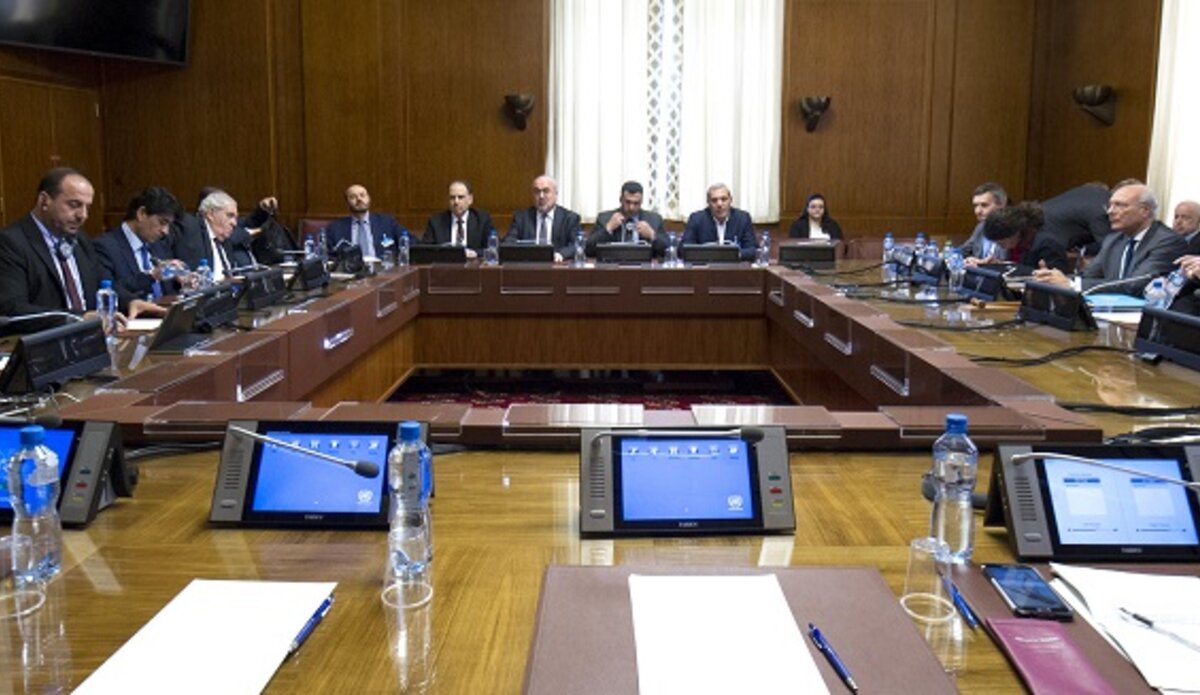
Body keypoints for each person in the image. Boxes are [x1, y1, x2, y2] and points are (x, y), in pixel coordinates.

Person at [0, 168, 163, 332]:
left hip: (90, 341)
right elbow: (12, 310)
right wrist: (79, 318)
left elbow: (101, 281)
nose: (83, 215)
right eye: (74, 205)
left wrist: (128, 302)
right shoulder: (11, 243)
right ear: (44, 201)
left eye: (87, 207)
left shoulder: (80, 239)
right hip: (44, 345)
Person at [1032, 182, 1185, 295]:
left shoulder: (1167, 242)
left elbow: (1135, 284)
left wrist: (1072, 284)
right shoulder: (1114, 239)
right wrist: (1053, 279)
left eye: (1120, 205)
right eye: (1110, 206)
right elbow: (1087, 276)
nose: (1110, 212)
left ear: (1144, 210)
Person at [95, 186, 187, 301]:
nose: (166, 231)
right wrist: (151, 276)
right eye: (162, 222)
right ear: (142, 213)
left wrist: (182, 282)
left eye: (169, 225)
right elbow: (110, 291)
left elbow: (167, 292)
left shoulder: (158, 245)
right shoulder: (105, 247)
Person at [172, 187, 277, 271]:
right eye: (230, 215)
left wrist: (261, 211)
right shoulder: (192, 228)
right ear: (211, 214)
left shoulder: (223, 233)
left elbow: (247, 222)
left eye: (235, 217)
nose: (234, 223)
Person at [506, 175, 582, 262]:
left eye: (546, 191)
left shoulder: (570, 218)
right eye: (537, 191)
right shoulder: (521, 218)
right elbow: (509, 242)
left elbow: (577, 244)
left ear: (555, 194)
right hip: (529, 267)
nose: (541, 196)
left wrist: (561, 254)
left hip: (557, 267)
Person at [980, 202, 1068, 273]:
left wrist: (1011, 267)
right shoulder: (1017, 243)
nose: (1001, 246)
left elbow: (1058, 278)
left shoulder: (1048, 244)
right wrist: (1000, 266)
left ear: (1016, 233)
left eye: (1002, 243)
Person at [323, 184, 408, 259]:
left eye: (362, 195)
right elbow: (325, 255)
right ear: (347, 203)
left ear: (369, 199)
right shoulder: (335, 228)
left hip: (384, 272)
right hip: (349, 273)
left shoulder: (386, 222)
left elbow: (409, 242)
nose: (359, 199)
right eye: (353, 197)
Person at [586, 180, 667, 257]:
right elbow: (588, 250)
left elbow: (668, 250)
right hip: (613, 267)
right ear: (621, 199)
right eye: (628, 202)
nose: (631, 207)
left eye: (636, 203)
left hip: (644, 268)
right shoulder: (604, 218)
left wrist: (652, 235)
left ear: (642, 201)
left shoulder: (654, 219)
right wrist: (608, 229)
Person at [682, 183, 757, 259]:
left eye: (724, 199)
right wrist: (713, 255)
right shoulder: (696, 219)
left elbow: (753, 250)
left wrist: (730, 255)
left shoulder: (742, 218)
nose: (719, 204)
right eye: (714, 200)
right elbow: (683, 249)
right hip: (706, 268)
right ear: (708, 202)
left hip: (735, 267)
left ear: (730, 200)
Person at [423, 180, 495, 259]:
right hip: (445, 265)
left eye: (460, 197)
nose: (456, 202)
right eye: (452, 198)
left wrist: (476, 253)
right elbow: (426, 250)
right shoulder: (436, 221)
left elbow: (493, 247)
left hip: (473, 265)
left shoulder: (482, 219)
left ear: (470, 199)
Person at [1038, 182, 1113, 256]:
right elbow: (1109, 248)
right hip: (1049, 242)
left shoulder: (1085, 196)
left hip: (1035, 227)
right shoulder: (1100, 208)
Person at [959, 182, 1007, 261]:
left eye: (984, 205)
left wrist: (982, 263)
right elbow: (964, 251)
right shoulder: (981, 226)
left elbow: (1011, 263)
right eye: (975, 206)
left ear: (1001, 205)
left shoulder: (1010, 229)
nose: (978, 211)